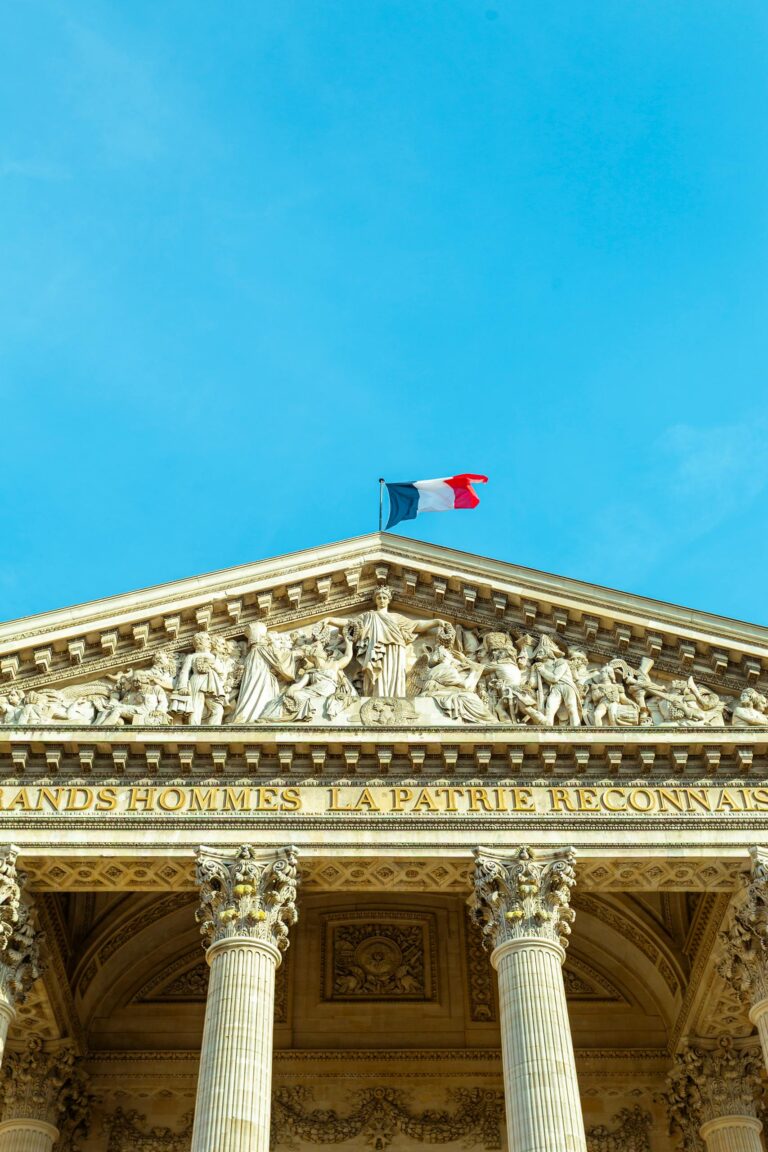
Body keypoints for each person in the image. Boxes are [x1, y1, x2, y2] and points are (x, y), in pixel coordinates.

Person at [328, 587, 449, 698]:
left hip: (395, 649)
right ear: (375, 600)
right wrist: (329, 619)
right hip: (375, 648)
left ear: (388, 600)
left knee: (394, 674)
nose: (381, 600)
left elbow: (416, 625)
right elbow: (350, 622)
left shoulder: (396, 617)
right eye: (379, 598)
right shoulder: (368, 616)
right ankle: (376, 696)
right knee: (376, 676)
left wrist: (436, 621)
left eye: (384, 598)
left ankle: (396, 697)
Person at [231, 623, 297, 723]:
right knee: (260, 694)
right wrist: (298, 653)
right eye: (264, 636)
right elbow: (279, 660)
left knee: (251, 693)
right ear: (260, 637)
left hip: (258, 677)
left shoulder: (252, 653)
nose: (267, 639)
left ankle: (246, 716)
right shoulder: (262, 649)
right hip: (262, 680)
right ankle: (256, 716)